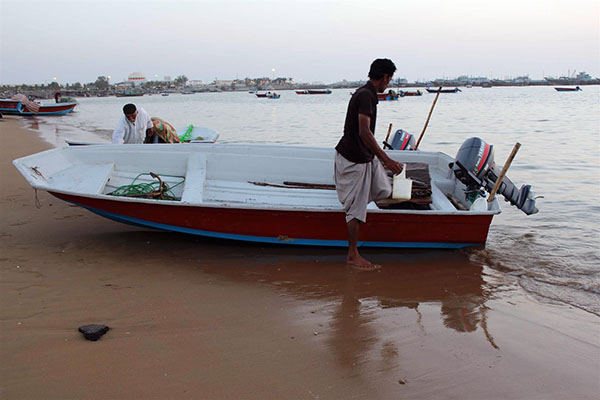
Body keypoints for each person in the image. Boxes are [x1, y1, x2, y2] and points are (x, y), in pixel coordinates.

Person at [334, 58, 404, 271]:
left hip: (364, 156)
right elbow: (364, 131)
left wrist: (377, 159)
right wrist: (386, 159)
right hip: (353, 159)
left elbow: (364, 134)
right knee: (356, 210)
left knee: (383, 188)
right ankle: (352, 255)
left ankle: (361, 203)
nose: (389, 83)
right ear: (385, 77)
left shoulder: (367, 94)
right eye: (389, 79)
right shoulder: (366, 96)